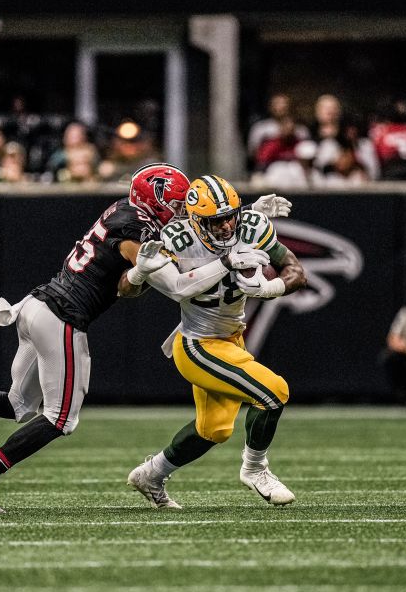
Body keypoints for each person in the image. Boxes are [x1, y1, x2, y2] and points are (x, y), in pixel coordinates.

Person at [0, 165, 292, 513]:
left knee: (17, 404)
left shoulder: (127, 213)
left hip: (38, 305)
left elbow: (187, 238)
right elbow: (181, 282)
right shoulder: (135, 230)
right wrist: (224, 259)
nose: (179, 212)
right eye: (173, 205)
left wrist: (249, 214)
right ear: (155, 203)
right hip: (63, 316)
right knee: (62, 419)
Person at [124, 176, 306, 509]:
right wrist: (223, 263)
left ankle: (151, 474)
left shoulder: (250, 226)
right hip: (198, 345)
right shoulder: (176, 242)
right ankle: (255, 469)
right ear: (194, 220)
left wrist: (270, 289)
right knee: (274, 392)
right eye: (214, 220)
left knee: (214, 429)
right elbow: (170, 288)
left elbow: (295, 269)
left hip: (231, 339)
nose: (225, 226)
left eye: (230, 216)